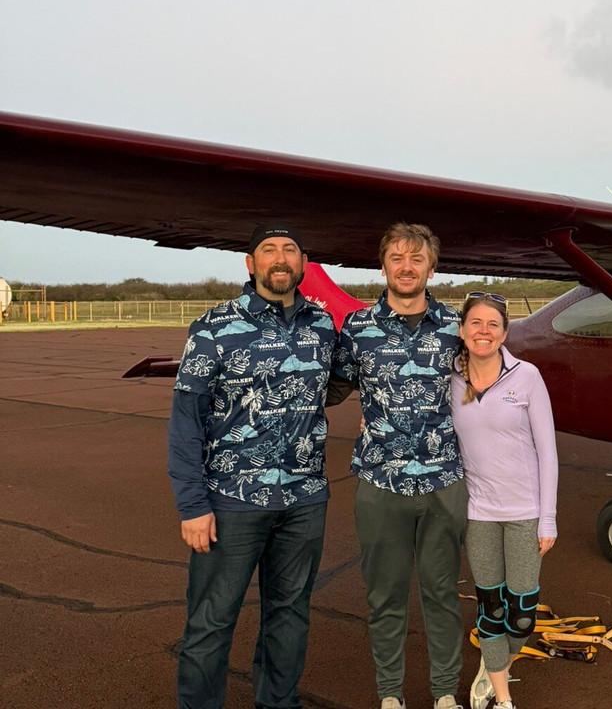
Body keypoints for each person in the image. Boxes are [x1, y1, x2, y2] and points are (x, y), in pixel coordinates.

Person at [167, 222, 339, 709]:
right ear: (250, 264)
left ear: (303, 264)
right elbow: (186, 422)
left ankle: (278, 703)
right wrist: (192, 505)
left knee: (288, 614)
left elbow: (339, 383)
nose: (280, 258)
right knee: (212, 618)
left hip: (304, 500)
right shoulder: (215, 326)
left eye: (290, 250)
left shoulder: (323, 325)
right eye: (268, 250)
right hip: (231, 502)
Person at [331, 223, 468, 709]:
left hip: (443, 482)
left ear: (433, 268)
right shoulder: (357, 328)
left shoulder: (457, 328)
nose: (406, 266)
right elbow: (328, 388)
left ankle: (445, 692)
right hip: (379, 481)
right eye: (396, 257)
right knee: (385, 598)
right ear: (383, 264)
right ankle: (390, 694)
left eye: (416, 258)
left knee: (441, 595)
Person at [450, 293, 558, 709]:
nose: (483, 331)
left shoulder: (526, 376)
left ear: (505, 333)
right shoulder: (450, 380)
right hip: (479, 514)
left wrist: (547, 519)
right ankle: (502, 694)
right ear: (462, 331)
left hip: (525, 513)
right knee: (490, 608)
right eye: (475, 322)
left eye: (493, 324)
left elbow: (547, 452)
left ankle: (494, 663)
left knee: (522, 614)